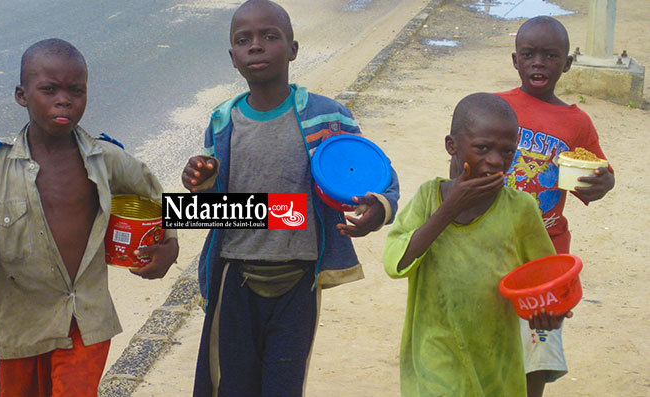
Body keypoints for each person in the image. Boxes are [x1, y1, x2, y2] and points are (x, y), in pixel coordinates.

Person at [180, 1, 399, 395]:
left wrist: (376, 211)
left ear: (293, 49)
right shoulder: (222, 121)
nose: (256, 46)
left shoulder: (328, 117)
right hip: (233, 276)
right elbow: (214, 205)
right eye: (243, 40)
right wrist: (200, 181)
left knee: (283, 387)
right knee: (229, 385)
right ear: (233, 58)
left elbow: (380, 179)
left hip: (299, 280)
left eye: (270, 36)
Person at [0, 38, 179, 397]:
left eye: (76, 90)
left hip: (84, 318)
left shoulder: (105, 158)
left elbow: (156, 195)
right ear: (22, 95)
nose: (64, 100)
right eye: (49, 89)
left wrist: (171, 245)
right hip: (20, 318)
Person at [383, 93, 566, 396]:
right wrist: (447, 210)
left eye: (507, 152)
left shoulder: (519, 209)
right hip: (435, 354)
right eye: (482, 148)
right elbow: (395, 263)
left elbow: (546, 279)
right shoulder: (430, 198)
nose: (495, 161)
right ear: (451, 146)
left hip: (496, 358)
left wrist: (549, 311)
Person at [496, 16, 615, 397]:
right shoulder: (495, 107)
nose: (538, 63)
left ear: (566, 63)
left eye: (550, 55)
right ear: (515, 60)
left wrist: (604, 182)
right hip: (493, 242)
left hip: (545, 253)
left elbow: (594, 177)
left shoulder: (576, 123)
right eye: (529, 54)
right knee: (490, 336)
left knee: (539, 344)